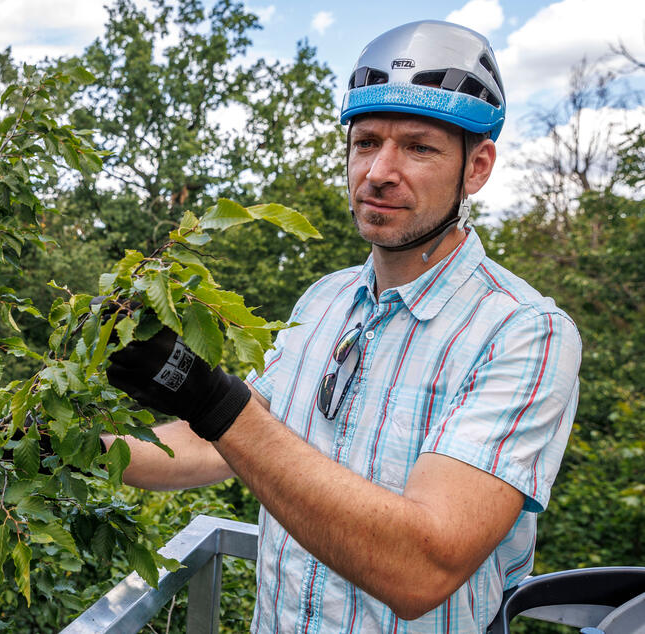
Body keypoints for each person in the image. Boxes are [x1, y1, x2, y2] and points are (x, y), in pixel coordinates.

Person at [103, 20, 581, 632]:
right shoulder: (323, 302)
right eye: (365, 142)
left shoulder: (524, 333)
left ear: (477, 166)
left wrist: (210, 396)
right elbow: (224, 442)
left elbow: (421, 569)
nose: (379, 171)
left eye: (419, 147)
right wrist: (70, 450)